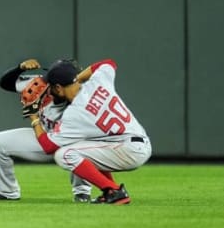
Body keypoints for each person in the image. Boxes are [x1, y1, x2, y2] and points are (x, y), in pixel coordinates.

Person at [25, 59, 152, 205]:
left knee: (64, 155)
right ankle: (110, 191)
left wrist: (34, 118)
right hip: (135, 141)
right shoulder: (97, 82)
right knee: (84, 146)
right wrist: (75, 79)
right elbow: (108, 63)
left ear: (58, 88)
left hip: (128, 150)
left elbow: (48, 146)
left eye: (52, 88)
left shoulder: (74, 114)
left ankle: (113, 191)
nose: (51, 91)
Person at [0, 59, 92, 202]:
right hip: (42, 136)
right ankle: (7, 192)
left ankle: (82, 192)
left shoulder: (85, 97)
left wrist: (33, 117)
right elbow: (5, 83)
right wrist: (19, 68)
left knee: (82, 144)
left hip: (68, 143)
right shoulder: (42, 84)